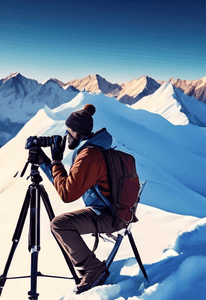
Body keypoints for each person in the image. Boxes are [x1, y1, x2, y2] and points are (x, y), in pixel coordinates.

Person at [39, 104, 127, 294]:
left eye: (68, 131)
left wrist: (55, 161)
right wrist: (47, 163)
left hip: (109, 216)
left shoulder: (89, 155)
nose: (66, 135)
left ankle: (93, 269)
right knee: (62, 223)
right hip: (113, 210)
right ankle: (91, 267)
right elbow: (69, 184)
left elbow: (67, 194)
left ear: (76, 132)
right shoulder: (96, 149)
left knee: (59, 225)